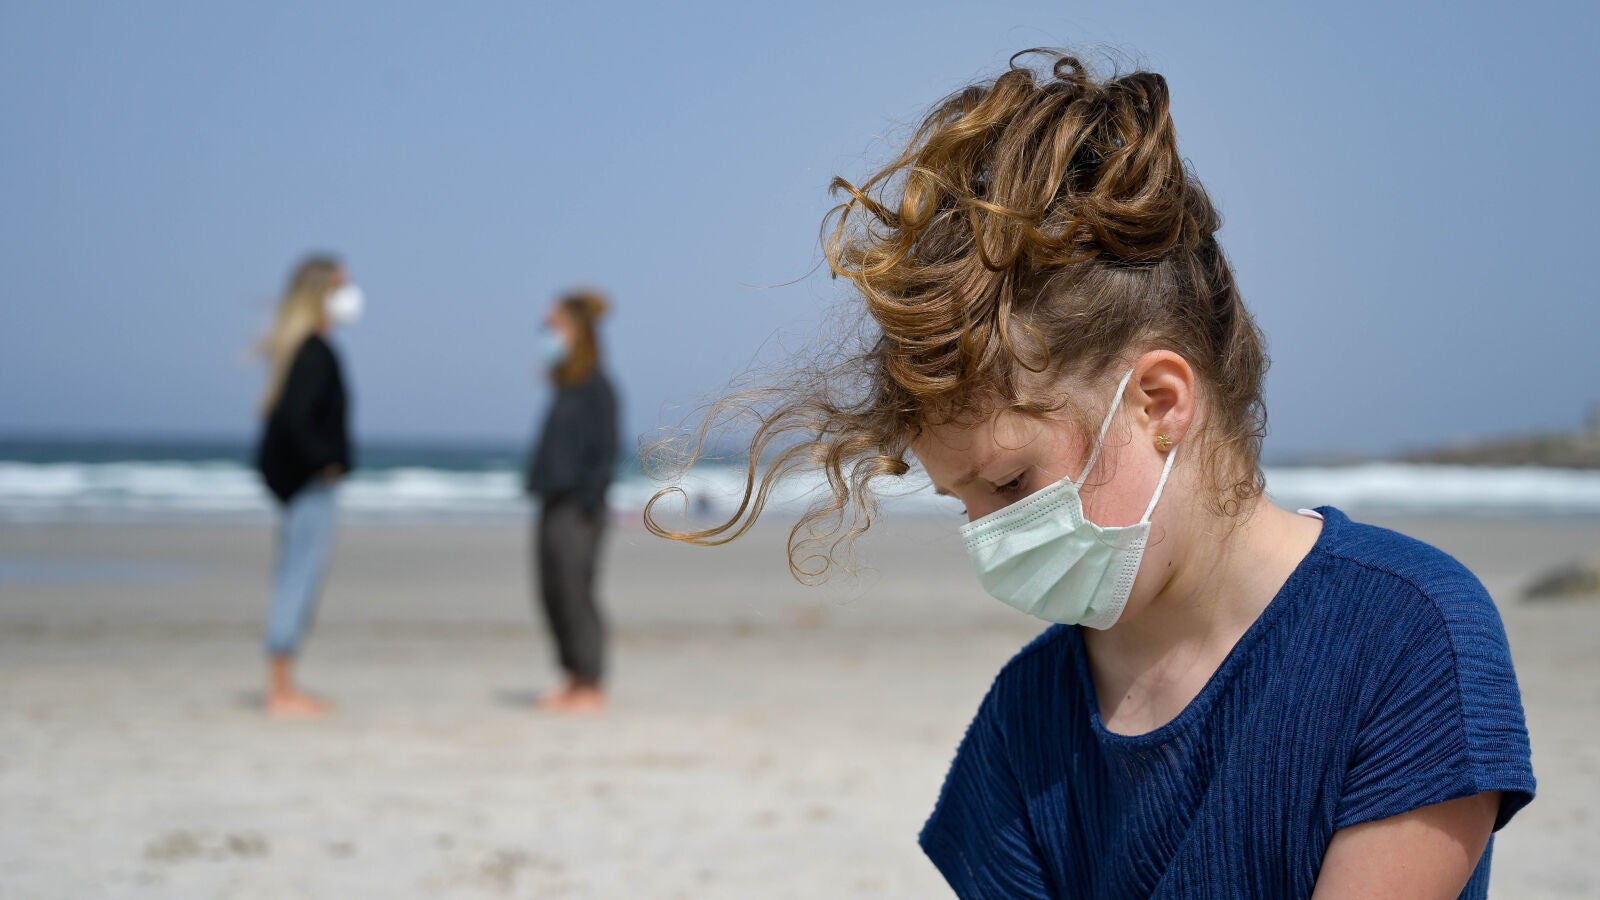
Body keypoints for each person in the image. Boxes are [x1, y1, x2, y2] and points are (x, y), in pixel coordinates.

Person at [647, 51, 1534, 897]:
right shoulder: (1025, 720)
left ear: (1159, 403)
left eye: (1008, 485)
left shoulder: (1407, 636)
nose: (990, 539)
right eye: (961, 505)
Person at [254, 255, 361, 718]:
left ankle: (283, 682)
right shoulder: (313, 352)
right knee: (297, 579)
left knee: (296, 576)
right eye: (342, 286)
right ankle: (281, 689)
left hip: (298, 484)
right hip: (308, 486)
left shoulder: (300, 349)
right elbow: (293, 421)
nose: (351, 296)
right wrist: (327, 462)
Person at [525, 289, 619, 715]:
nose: (546, 334)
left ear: (576, 330)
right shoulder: (567, 386)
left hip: (579, 509)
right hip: (552, 500)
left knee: (575, 590)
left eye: (553, 326)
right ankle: (572, 676)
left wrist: (588, 504)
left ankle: (590, 681)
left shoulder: (597, 386)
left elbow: (604, 452)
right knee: (551, 591)